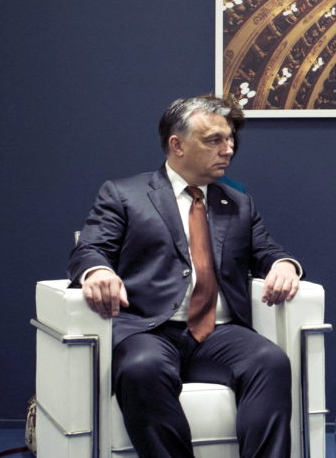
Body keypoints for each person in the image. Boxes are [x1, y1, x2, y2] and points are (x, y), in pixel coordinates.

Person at [68, 95, 303, 458]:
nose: (228, 149)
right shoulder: (124, 194)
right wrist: (98, 270)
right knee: (142, 368)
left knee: (270, 361)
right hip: (149, 330)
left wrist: (284, 265)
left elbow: (265, 251)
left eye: (230, 139)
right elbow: (90, 249)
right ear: (177, 145)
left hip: (220, 334)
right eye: (214, 140)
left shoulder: (238, 202)